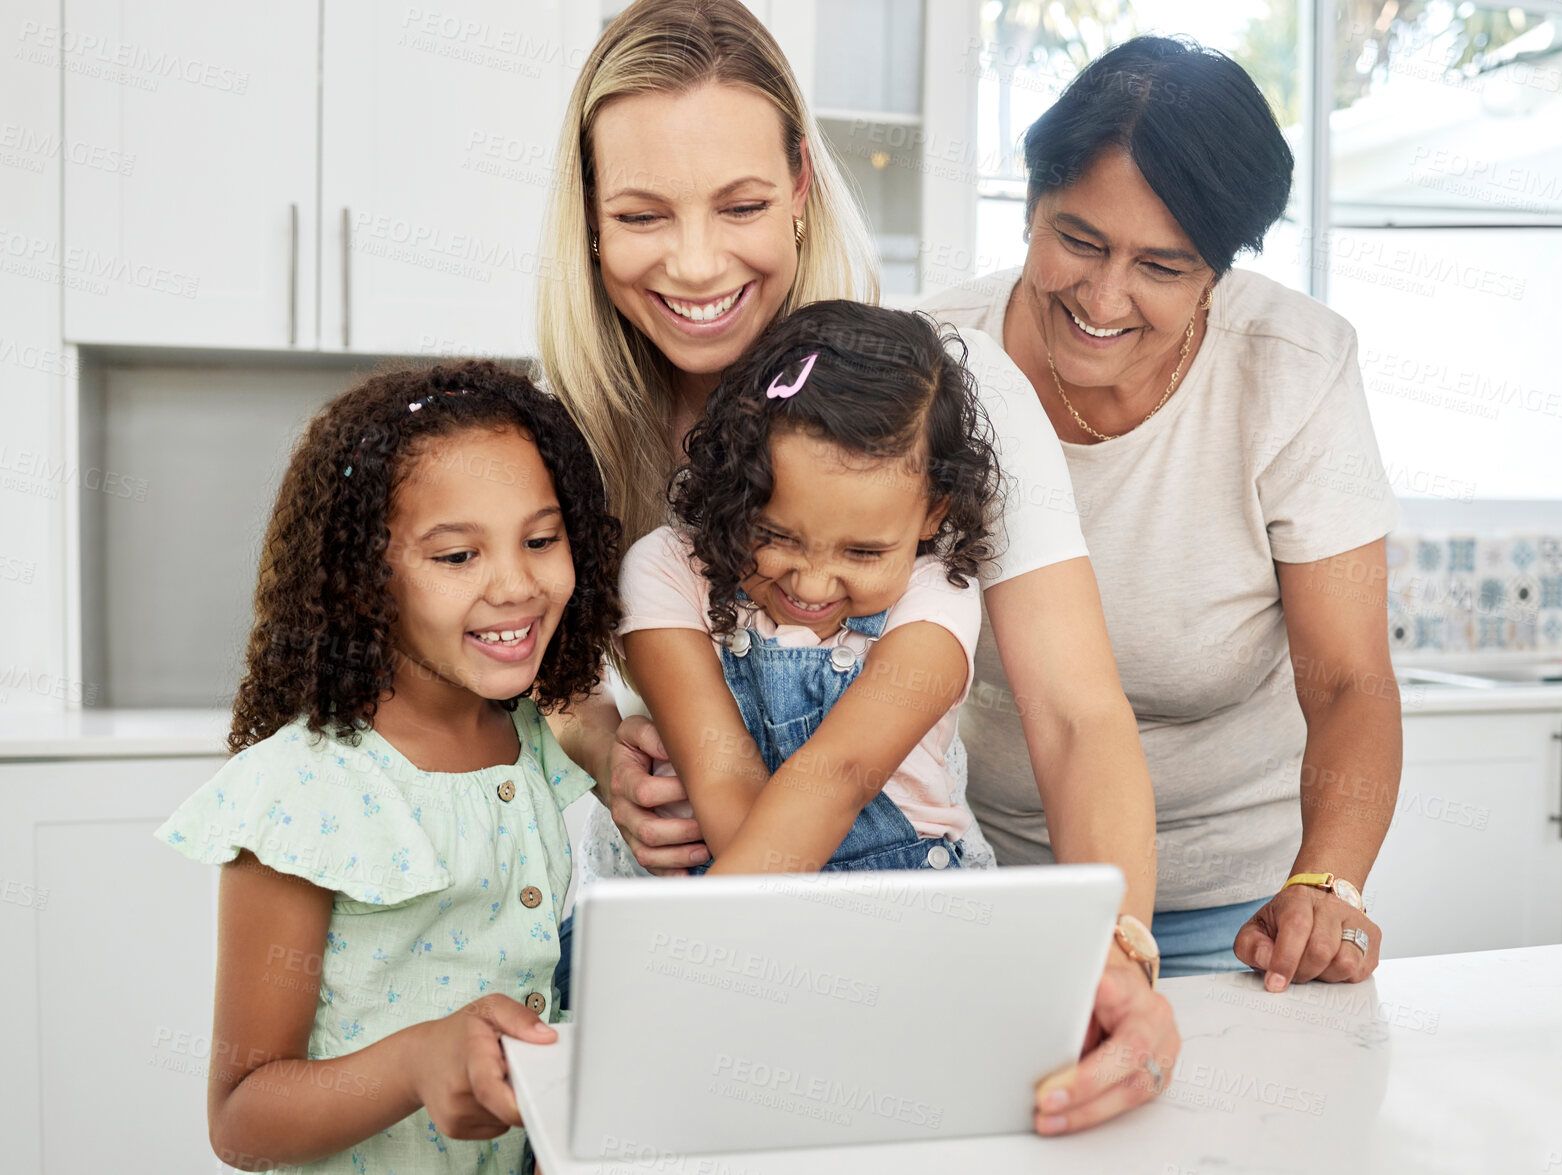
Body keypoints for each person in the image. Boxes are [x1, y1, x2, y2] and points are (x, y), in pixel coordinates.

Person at [536, 0, 1177, 1134]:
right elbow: (505, 678)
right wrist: (596, 741)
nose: (694, 262)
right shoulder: (565, 432)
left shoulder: (942, 398)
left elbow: (1077, 714)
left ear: (799, 182)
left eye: (739, 204)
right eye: (641, 213)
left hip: (878, 937)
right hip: (667, 931)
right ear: (588, 219)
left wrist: (1119, 950)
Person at [919, 36, 1403, 991]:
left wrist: (1325, 881)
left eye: (1163, 267)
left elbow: (1349, 679)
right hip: (988, 886)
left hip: (1239, 916)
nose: (1103, 298)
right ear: (1028, 206)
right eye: (1078, 240)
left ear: (1219, 270)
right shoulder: (930, 366)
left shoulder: (1292, 369)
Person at [155, 360, 623, 1173]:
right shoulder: (302, 793)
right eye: (455, 557)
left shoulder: (527, 740)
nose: (515, 584)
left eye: (541, 540)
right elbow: (240, 1119)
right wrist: (417, 1061)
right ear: (363, 579)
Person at [616, 300, 999, 878]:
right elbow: (720, 775)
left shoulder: (937, 593)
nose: (812, 584)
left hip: (904, 903)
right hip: (739, 874)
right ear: (732, 486)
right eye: (775, 537)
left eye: (864, 552)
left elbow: (840, 772)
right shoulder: (667, 570)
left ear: (932, 514)